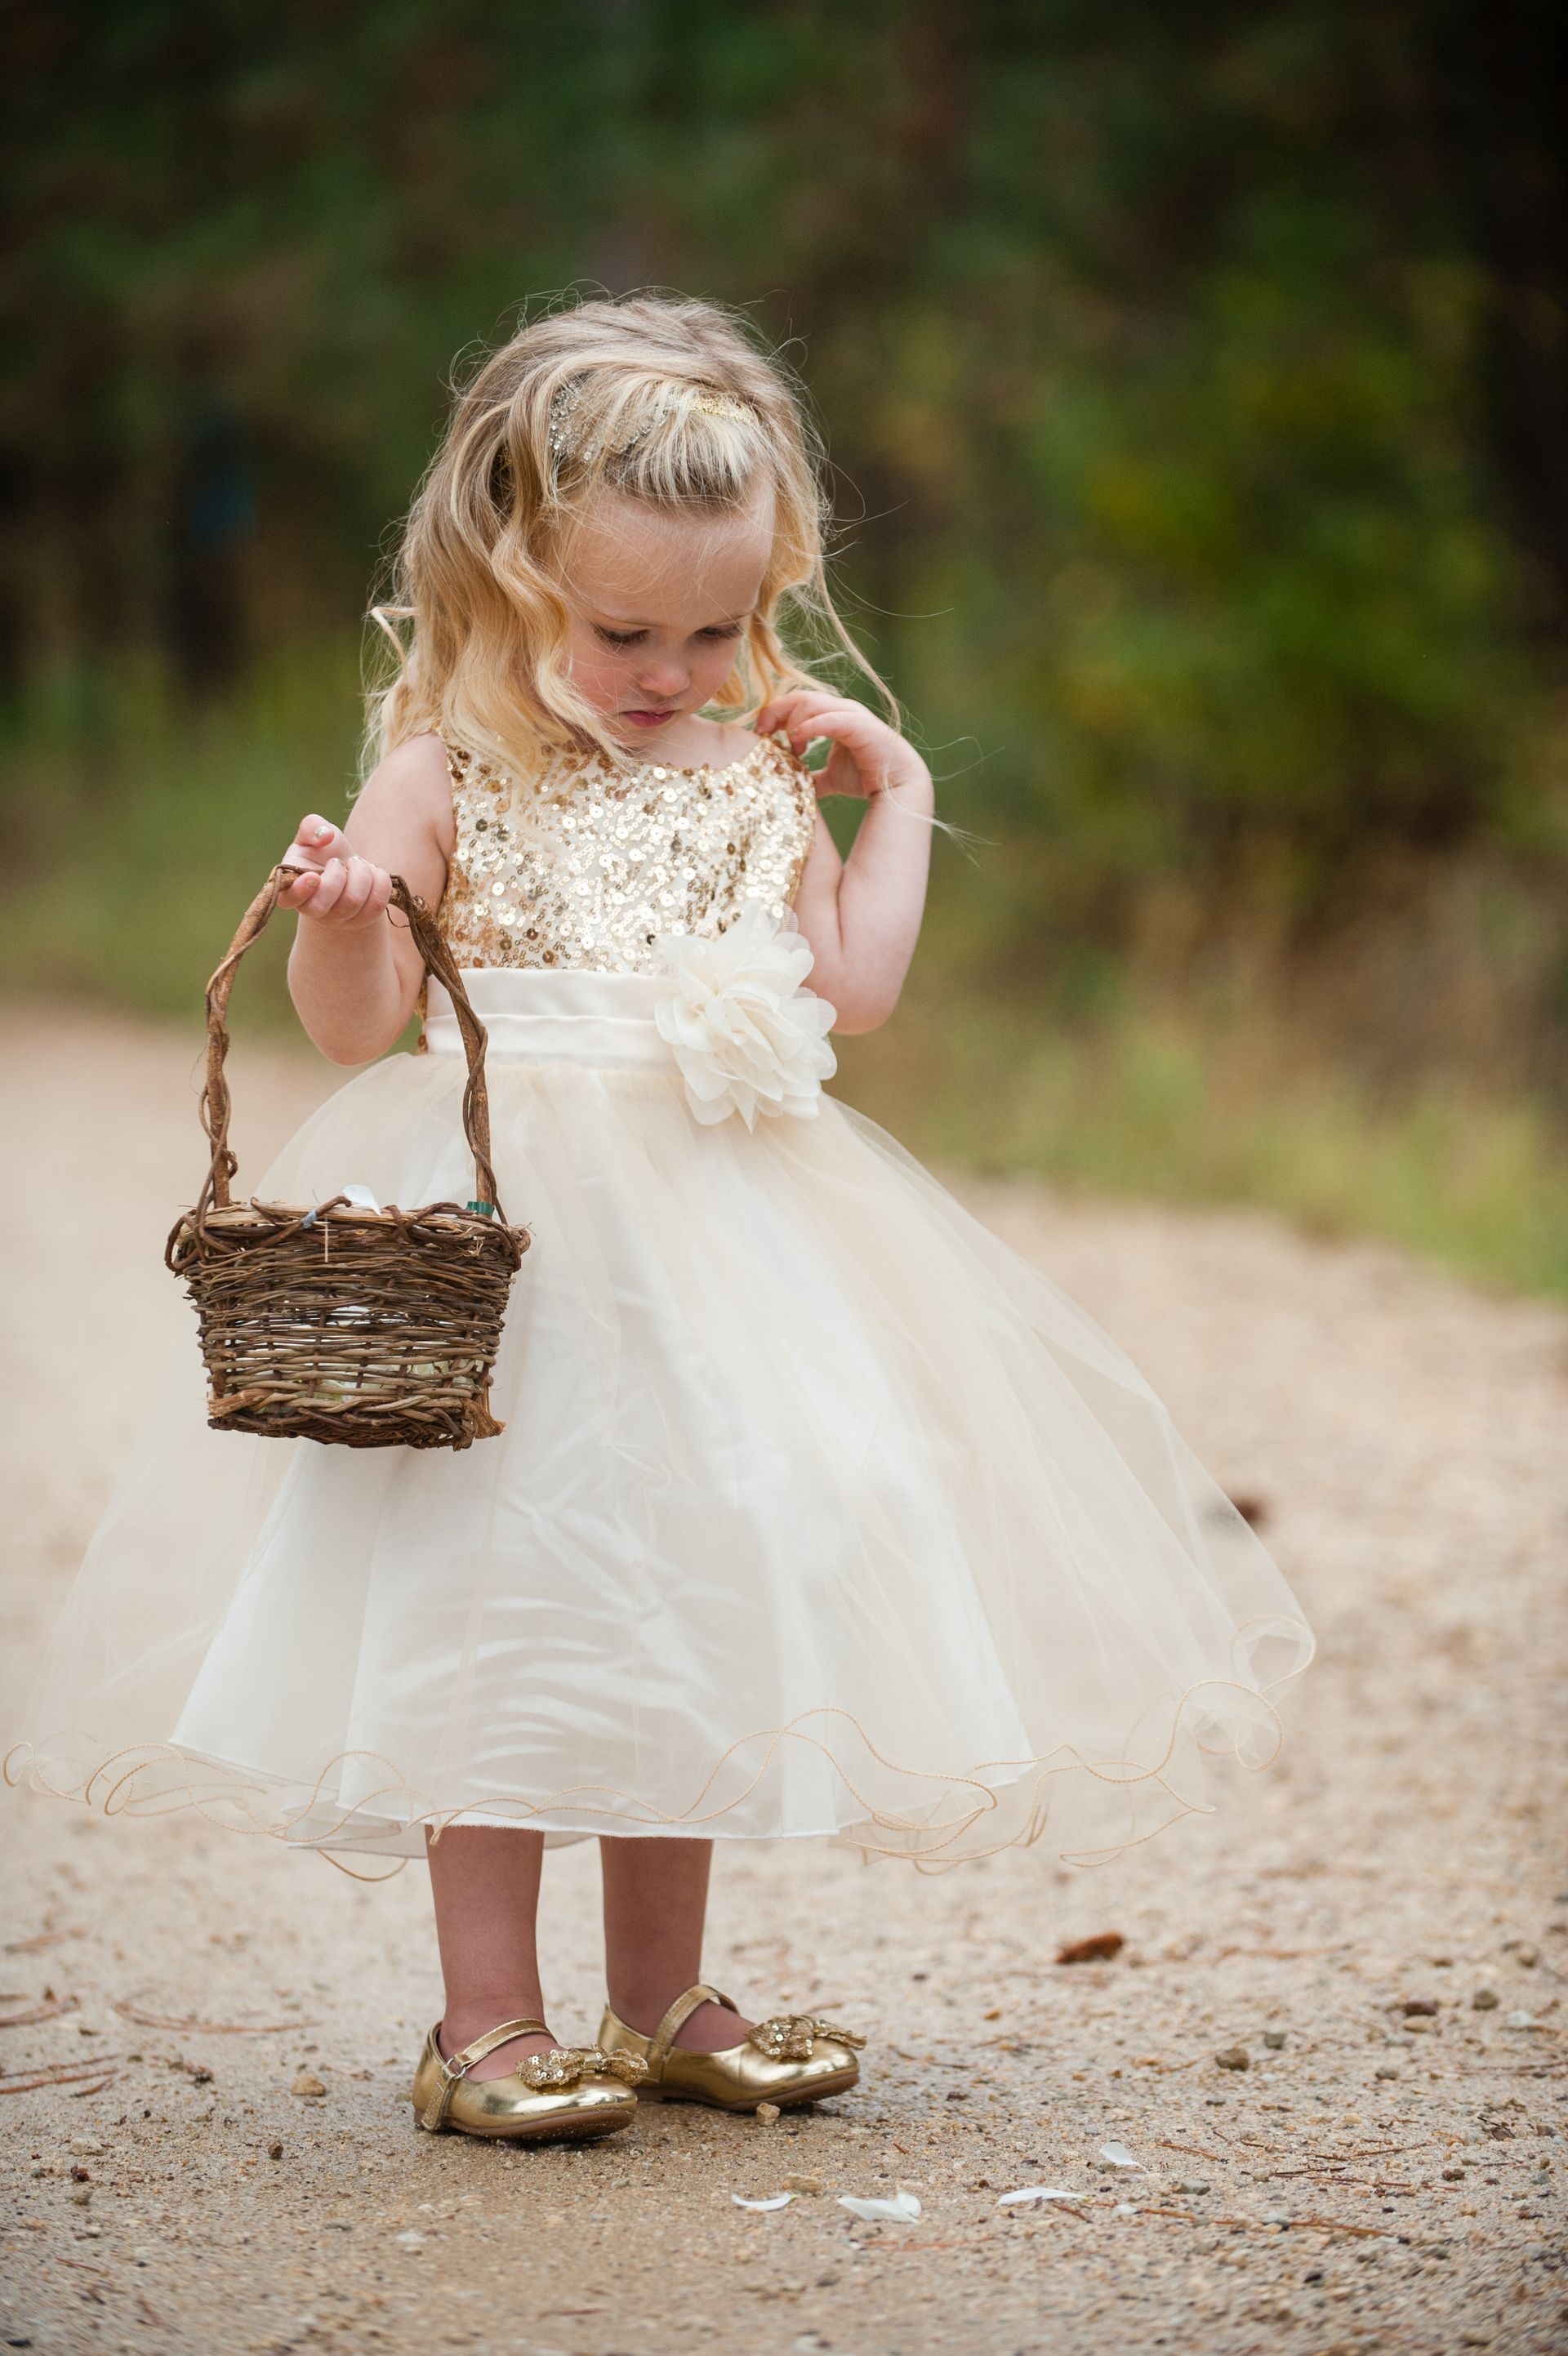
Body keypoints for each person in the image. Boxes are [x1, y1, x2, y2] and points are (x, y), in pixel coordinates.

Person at [7, 293, 1314, 2145]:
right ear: (517, 564)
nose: (670, 668)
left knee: (696, 1581)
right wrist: (347, 907)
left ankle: (663, 1998)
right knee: (500, 1598)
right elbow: (360, 1029)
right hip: (509, 1247)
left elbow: (848, 990)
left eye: (712, 630)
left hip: (715, 1250)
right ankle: (484, 2021)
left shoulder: (751, 771)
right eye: (625, 628)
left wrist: (902, 798)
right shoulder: (447, 766)